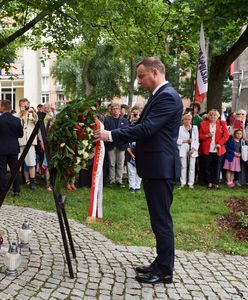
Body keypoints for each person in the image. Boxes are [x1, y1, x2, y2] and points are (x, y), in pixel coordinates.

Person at [94, 57, 183, 284]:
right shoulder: (159, 96)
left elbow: (147, 128)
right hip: (155, 167)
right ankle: (161, 262)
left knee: (162, 220)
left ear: (155, 72)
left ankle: (165, 271)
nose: (139, 81)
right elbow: (140, 126)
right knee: (157, 219)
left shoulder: (168, 97)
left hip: (162, 169)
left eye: (142, 76)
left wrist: (111, 135)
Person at [199, 109, 230, 189]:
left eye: (215, 115)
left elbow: (226, 135)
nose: (213, 116)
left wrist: (220, 143)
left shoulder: (222, 123)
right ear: (208, 116)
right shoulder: (203, 124)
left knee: (217, 166)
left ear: (218, 116)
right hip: (207, 148)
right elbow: (199, 136)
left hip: (218, 149)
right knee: (207, 166)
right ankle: (209, 182)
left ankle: (216, 183)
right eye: (211, 115)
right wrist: (206, 136)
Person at [0, 100, 23, 197]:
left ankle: (2, 191)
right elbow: (20, 135)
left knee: (2, 171)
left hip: (1, 148)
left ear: (3, 107)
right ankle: (16, 190)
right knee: (15, 170)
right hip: (13, 148)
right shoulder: (17, 120)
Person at [104, 103, 129, 186]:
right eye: (113, 109)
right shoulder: (107, 120)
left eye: (117, 109)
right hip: (111, 145)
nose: (115, 110)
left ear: (120, 110)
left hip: (121, 145)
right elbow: (107, 131)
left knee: (120, 164)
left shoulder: (124, 121)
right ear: (111, 111)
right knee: (111, 164)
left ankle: (119, 180)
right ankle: (112, 180)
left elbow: (126, 132)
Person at [16, 98, 38, 190]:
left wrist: (32, 113)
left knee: (31, 162)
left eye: (25, 105)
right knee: (17, 163)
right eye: (22, 105)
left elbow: (37, 122)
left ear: (28, 105)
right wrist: (20, 115)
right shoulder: (17, 116)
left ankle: (32, 181)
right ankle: (18, 180)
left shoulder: (33, 115)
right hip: (20, 142)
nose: (23, 107)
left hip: (30, 142)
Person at [177, 113, 199, 188]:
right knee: (183, 166)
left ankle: (190, 183)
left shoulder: (194, 128)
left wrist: (193, 149)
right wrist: (186, 141)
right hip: (183, 148)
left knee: (192, 166)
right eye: (185, 119)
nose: (187, 121)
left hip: (192, 148)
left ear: (191, 120)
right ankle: (183, 182)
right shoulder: (179, 128)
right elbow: (177, 140)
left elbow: (196, 140)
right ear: (183, 120)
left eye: (189, 119)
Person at [126, 106, 142, 193]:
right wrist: (131, 154)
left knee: (139, 171)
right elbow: (126, 142)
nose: (136, 116)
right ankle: (131, 186)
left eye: (137, 114)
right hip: (130, 151)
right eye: (134, 114)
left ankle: (137, 186)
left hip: (140, 152)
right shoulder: (128, 127)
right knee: (131, 171)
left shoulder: (142, 127)